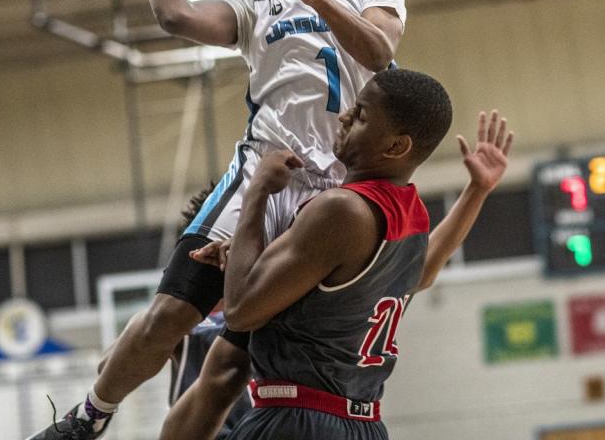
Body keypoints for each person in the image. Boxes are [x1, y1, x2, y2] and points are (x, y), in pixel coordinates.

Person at [27, 0, 407, 440]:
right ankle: (88, 418)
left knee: (237, 363)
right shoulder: (255, 7)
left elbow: (378, 51)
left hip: (341, 195)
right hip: (263, 175)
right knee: (171, 316)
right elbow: (175, 15)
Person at [168, 102, 513, 439]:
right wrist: (476, 191)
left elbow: (240, 314)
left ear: (395, 144)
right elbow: (422, 273)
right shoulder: (408, 213)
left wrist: (256, 191)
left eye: (360, 114)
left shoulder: (340, 211)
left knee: (222, 369)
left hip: (298, 417)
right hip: (363, 424)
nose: (345, 116)